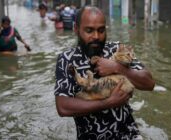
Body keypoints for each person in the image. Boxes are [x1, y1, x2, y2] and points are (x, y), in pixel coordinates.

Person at [54, 6, 155, 140]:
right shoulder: (67, 60)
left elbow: (149, 83)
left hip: (128, 134)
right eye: (89, 30)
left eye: (101, 30)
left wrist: (117, 68)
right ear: (76, 29)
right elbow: (63, 107)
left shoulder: (117, 49)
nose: (96, 36)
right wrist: (108, 103)